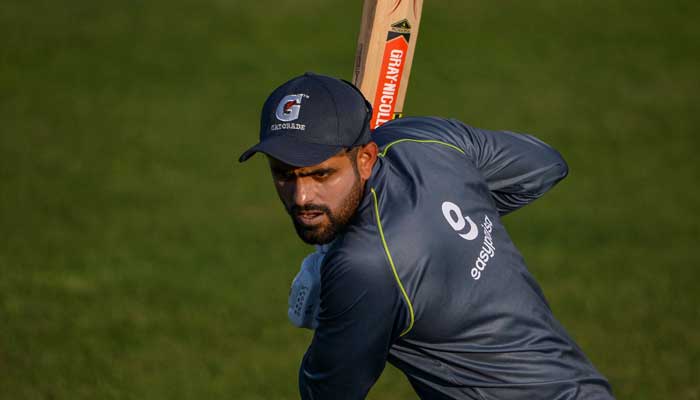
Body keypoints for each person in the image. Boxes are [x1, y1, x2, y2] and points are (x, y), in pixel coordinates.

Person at [239, 72, 614, 400]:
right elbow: (544, 164)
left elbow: (328, 392)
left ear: (366, 159)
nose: (302, 197)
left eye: (322, 174)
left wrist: (328, 311)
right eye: (285, 174)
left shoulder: (364, 266)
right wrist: (453, 220)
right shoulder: (427, 141)